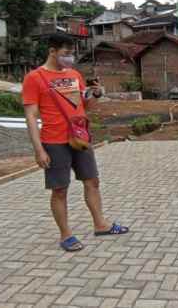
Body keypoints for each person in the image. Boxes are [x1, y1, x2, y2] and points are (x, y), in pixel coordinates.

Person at [22, 34, 129, 252]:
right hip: (54, 141)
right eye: (66, 53)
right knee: (60, 190)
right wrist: (39, 150)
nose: (70, 57)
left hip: (80, 139)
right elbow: (31, 116)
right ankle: (66, 235)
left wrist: (95, 95)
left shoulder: (74, 75)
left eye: (72, 53)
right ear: (52, 51)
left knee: (92, 181)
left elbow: (83, 106)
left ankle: (101, 224)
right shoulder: (34, 78)